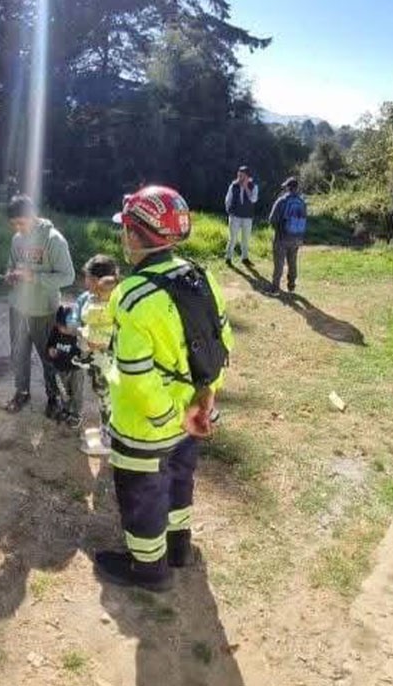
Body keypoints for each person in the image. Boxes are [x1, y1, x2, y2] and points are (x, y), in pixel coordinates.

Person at [94, 185, 233, 592]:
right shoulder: (202, 276)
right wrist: (203, 400)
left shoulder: (132, 296)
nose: (123, 237)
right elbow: (221, 345)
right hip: (193, 415)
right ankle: (178, 548)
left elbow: (135, 373)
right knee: (179, 480)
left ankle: (149, 569)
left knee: (142, 496)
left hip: (146, 425)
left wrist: (161, 419)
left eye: (126, 230)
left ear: (137, 236)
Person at [1, 194, 75, 418]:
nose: (18, 228)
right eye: (13, 224)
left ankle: (53, 398)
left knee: (48, 356)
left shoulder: (54, 240)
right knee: (19, 353)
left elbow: (68, 277)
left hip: (44, 310)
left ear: (32, 216)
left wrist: (35, 277)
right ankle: (21, 392)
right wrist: (9, 276)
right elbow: (11, 265)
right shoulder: (16, 239)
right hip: (18, 308)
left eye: (21, 223)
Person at [72, 254, 120, 457]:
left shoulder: (117, 301)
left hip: (108, 360)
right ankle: (104, 430)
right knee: (101, 394)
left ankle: (109, 437)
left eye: (88, 278)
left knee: (107, 397)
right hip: (96, 357)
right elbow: (79, 316)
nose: (86, 282)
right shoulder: (89, 298)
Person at [45, 304, 86, 430]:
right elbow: (49, 346)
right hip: (60, 368)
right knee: (63, 391)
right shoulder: (55, 331)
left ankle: (77, 413)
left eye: (67, 327)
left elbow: (84, 354)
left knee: (76, 391)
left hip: (75, 370)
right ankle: (66, 409)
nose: (63, 330)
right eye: (60, 326)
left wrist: (67, 355)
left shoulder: (80, 335)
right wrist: (50, 351)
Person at [267, 176, 308, 295]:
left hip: (282, 237)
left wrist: (277, 229)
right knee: (293, 261)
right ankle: (291, 284)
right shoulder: (302, 202)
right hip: (297, 237)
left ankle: (275, 288)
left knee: (279, 263)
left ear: (288, 188)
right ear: (297, 188)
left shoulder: (282, 201)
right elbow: (304, 219)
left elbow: (272, 219)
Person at [224, 165, 258, 267]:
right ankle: (228, 258)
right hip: (235, 216)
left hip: (247, 217)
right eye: (239, 175)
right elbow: (227, 200)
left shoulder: (254, 186)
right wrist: (229, 211)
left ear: (247, 177)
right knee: (232, 238)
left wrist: (246, 187)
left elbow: (253, 199)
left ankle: (245, 258)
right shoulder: (233, 185)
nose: (240, 178)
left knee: (245, 239)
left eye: (242, 176)